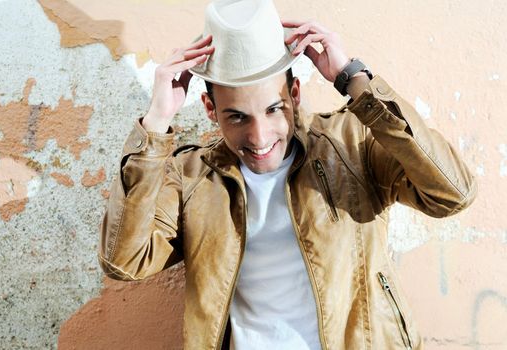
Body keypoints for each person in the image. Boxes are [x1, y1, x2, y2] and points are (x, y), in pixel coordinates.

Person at [99, 0, 476, 349]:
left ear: (295, 94)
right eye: (237, 117)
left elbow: (452, 193)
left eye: (273, 109)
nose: (259, 137)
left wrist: (354, 79)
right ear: (210, 109)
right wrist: (156, 125)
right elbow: (125, 261)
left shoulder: (351, 144)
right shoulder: (193, 178)